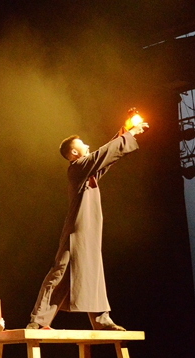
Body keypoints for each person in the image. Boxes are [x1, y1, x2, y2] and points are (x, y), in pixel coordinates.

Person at [28, 121, 149, 330]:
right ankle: (38, 321)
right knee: (60, 272)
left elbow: (106, 159)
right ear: (74, 152)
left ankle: (101, 320)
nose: (87, 145)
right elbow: (102, 155)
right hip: (76, 231)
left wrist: (125, 130)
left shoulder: (87, 171)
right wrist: (130, 134)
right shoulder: (77, 168)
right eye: (82, 144)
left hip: (89, 231)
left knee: (93, 271)